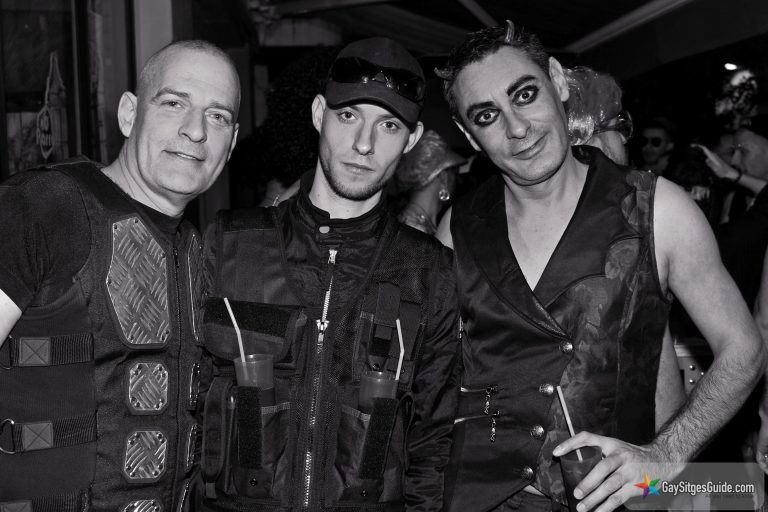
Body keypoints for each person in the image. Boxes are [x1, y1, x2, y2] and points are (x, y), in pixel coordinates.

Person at [434, 21, 765, 511]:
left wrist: (666, 456)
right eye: (487, 115)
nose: (517, 128)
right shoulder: (456, 228)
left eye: (524, 94)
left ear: (557, 81)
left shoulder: (658, 210)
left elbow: (743, 348)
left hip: (609, 502)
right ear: (468, 133)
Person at [195, 37, 459, 511]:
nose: (364, 144)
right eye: (349, 115)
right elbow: (184, 407)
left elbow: (433, 447)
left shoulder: (430, 272)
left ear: (412, 140)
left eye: (389, 125)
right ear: (319, 114)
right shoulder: (230, 243)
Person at [0, 40, 240, 510]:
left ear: (230, 145)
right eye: (174, 103)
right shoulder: (44, 207)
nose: (195, 131)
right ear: (129, 114)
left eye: (217, 117)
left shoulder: (195, 250)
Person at [395, 129, 465, 235]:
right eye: (455, 173)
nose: (457, 180)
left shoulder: (412, 222)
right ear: (444, 178)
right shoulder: (416, 230)